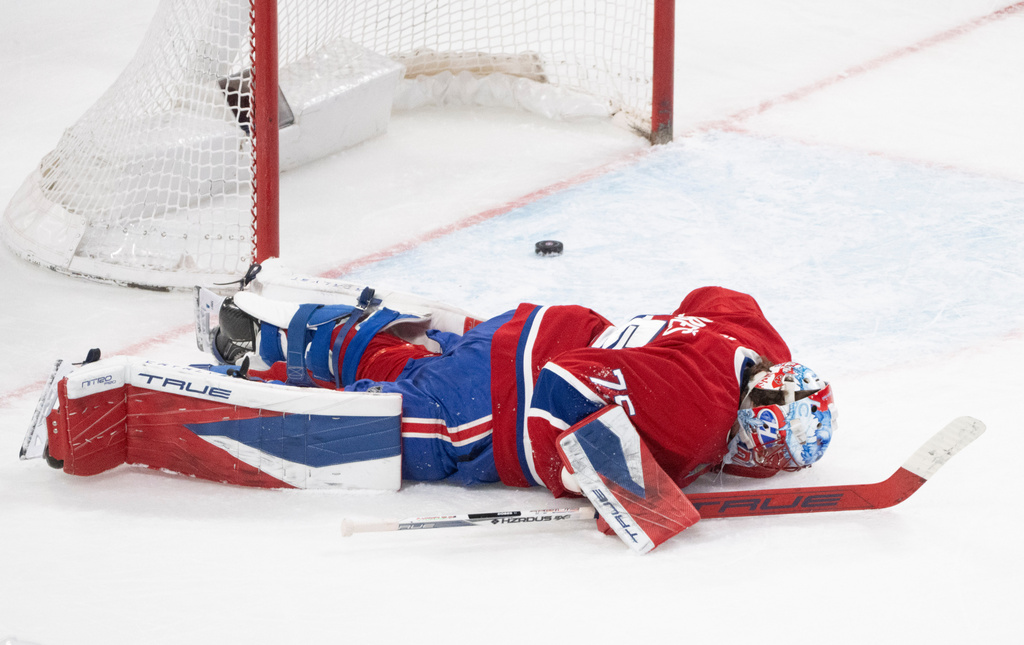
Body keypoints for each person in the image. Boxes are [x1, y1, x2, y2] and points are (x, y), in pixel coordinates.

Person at [40, 275, 836, 552]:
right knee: (371, 428)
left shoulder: (750, 336)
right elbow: (562, 392)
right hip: (495, 406)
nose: (755, 454)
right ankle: (124, 399)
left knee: (414, 370)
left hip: (527, 330)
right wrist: (627, 486)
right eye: (764, 442)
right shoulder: (703, 417)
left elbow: (705, 300)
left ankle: (281, 334)